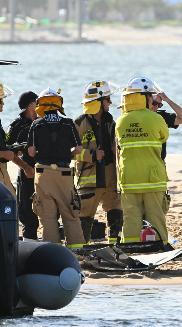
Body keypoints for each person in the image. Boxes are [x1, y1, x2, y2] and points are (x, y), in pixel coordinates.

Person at [27, 88, 85, 249]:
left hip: (42, 174)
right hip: (64, 173)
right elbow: (79, 149)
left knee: (47, 216)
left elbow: (31, 152)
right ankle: (77, 248)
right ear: (59, 104)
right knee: (70, 213)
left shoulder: (36, 124)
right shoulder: (68, 123)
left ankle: (53, 249)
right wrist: (68, 155)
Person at [116, 76, 169, 244]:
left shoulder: (121, 121)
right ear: (144, 97)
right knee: (156, 217)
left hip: (129, 179)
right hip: (152, 179)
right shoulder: (156, 118)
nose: (152, 99)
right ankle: (160, 248)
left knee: (131, 218)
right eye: (150, 96)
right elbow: (164, 136)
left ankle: (130, 248)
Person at [74, 80, 123, 244]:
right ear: (98, 101)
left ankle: (114, 245)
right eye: (108, 99)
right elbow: (68, 152)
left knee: (116, 213)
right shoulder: (79, 123)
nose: (110, 102)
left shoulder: (111, 122)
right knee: (84, 218)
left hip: (110, 177)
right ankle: (81, 249)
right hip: (89, 179)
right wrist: (92, 155)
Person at [6, 91, 39, 240]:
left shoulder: (42, 122)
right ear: (30, 105)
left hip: (44, 172)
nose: (38, 104)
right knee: (27, 214)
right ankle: (30, 244)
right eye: (36, 102)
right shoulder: (16, 126)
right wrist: (25, 167)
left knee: (48, 212)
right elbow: (8, 152)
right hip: (27, 173)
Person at [149, 90, 182, 160]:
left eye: (159, 105)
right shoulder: (135, 117)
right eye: (154, 103)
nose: (156, 107)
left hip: (158, 161)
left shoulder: (161, 117)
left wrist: (167, 100)